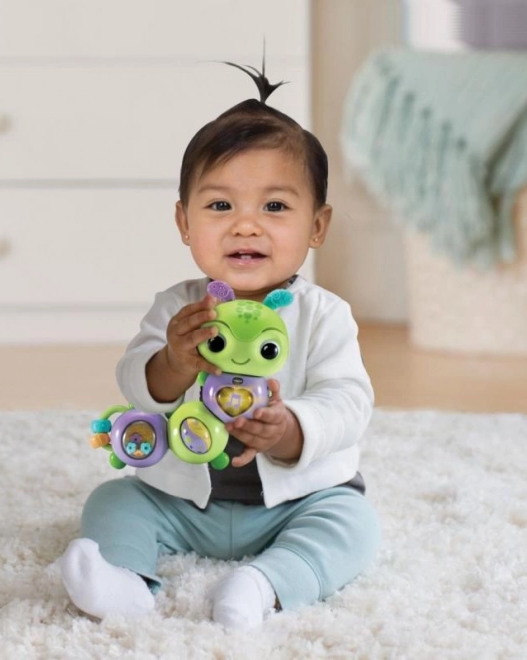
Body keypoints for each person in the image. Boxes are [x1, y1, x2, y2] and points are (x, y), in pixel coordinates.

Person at [59, 61, 381, 630]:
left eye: (275, 207)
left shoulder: (325, 315)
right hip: (184, 501)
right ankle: (125, 582)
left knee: (353, 525)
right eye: (220, 205)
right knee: (113, 500)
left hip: (296, 502)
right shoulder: (177, 309)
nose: (246, 226)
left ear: (317, 226)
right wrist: (173, 362)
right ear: (184, 222)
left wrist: (290, 428)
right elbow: (135, 381)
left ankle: (263, 585)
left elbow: (349, 401)